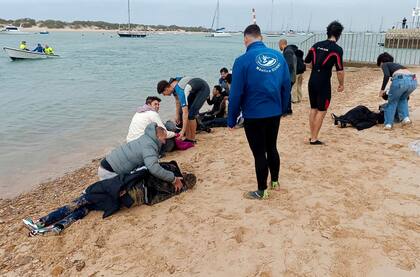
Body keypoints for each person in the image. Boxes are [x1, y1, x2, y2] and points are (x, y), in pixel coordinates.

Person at [22, 162, 197, 236]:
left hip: (123, 191)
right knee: (87, 208)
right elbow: (151, 201)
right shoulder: (172, 193)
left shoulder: (166, 176)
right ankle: (60, 226)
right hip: (124, 202)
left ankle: (42, 221)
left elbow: (142, 173)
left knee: (83, 200)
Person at [228, 24, 291, 200]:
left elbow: (235, 94)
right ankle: (275, 182)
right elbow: (286, 85)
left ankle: (262, 191)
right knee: (272, 146)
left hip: (254, 114)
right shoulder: (279, 57)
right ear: (261, 37)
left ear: (246, 39)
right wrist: (284, 108)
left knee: (259, 153)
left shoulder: (242, 61)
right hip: (274, 112)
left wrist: (231, 119)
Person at [98, 123, 184, 191]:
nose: (165, 142)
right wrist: (173, 179)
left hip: (106, 163)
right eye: (164, 139)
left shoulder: (146, 138)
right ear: (157, 137)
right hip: (109, 172)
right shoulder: (149, 146)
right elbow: (154, 168)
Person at [304, 20, 345, 145]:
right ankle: (314, 138)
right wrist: (341, 84)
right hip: (323, 82)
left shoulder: (316, 45)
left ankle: (312, 136)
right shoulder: (337, 49)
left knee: (313, 108)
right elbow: (340, 70)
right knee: (322, 110)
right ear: (339, 34)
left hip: (312, 80)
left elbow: (307, 62)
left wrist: (316, 69)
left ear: (328, 32)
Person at [157, 77, 210, 142]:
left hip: (203, 89)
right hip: (194, 90)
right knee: (181, 113)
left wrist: (182, 130)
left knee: (191, 114)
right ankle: (188, 137)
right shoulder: (172, 86)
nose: (164, 95)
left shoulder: (180, 91)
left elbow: (185, 113)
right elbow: (177, 100)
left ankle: (192, 139)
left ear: (166, 89)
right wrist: (177, 115)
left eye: (163, 93)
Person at [376, 52, 417, 129]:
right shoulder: (398, 66)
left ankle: (388, 124)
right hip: (413, 80)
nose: (381, 68)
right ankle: (405, 118)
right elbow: (400, 84)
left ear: (381, 62)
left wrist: (382, 90)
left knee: (392, 102)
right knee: (403, 98)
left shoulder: (385, 64)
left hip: (400, 80)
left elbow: (387, 76)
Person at [279, 39, 297, 114]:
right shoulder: (290, 50)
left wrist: (283, 75)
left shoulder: (287, 51)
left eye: (279, 45)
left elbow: (289, 65)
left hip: (289, 77)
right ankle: (288, 110)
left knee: (285, 92)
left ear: (281, 44)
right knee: (287, 92)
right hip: (292, 76)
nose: (279, 47)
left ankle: (286, 110)